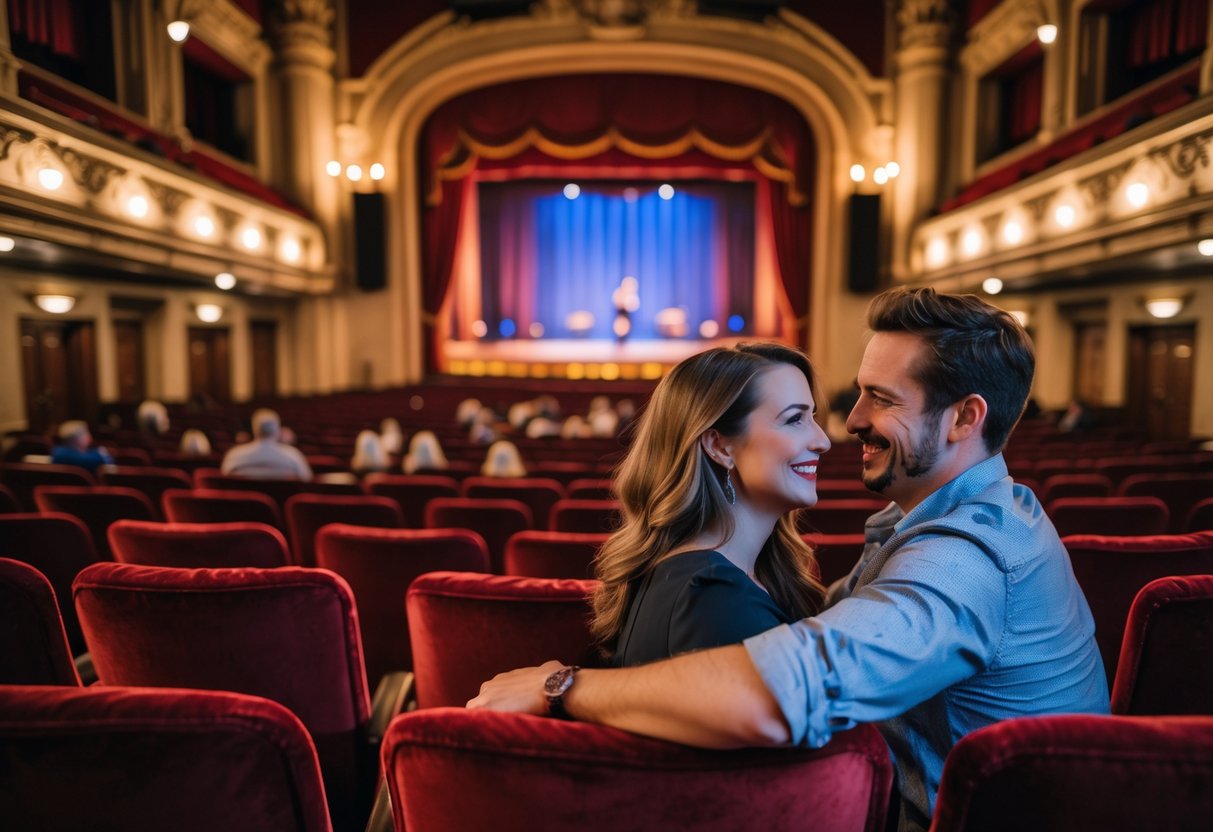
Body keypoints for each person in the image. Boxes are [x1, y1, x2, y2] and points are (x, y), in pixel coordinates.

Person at [469, 287, 1109, 832]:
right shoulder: (952, 518)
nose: (846, 423)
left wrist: (564, 687)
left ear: (965, 418)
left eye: (881, 399)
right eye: (854, 395)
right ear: (718, 445)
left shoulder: (968, 559)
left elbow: (780, 691)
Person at [597, 343, 831, 667]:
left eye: (813, 417)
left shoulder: (708, 578)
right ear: (720, 446)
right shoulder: (715, 597)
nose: (823, 440)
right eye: (795, 419)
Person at [220, 408, 312, 480]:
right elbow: (307, 480)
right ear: (277, 430)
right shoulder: (293, 456)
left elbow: (223, 481)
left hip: (241, 505)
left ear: (254, 429)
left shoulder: (234, 455)